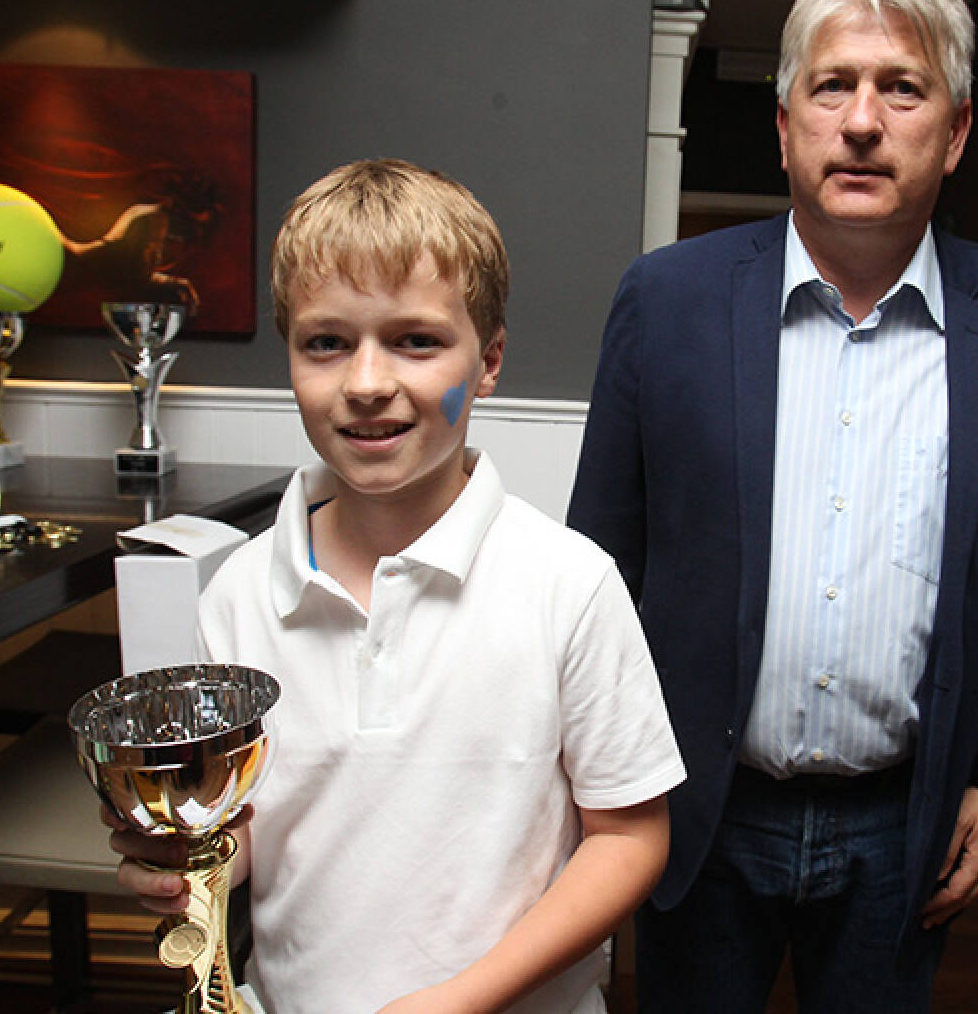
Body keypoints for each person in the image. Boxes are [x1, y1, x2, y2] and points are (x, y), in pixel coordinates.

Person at [566, 0, 978, 1012]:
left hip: (905, 832)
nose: (860, 122)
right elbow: (595, 569)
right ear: (783, 125)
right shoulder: (666, 302)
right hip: (699, 815)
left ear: (955, 132)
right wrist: (598, 793)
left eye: (901, 89)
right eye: (831, 85)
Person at [104, 158, 686, 1014]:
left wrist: (462, 998)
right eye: (326, 343)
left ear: (488, 361)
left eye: (416, 341)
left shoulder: (570, 586)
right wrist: (187, 858)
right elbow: (257, 829)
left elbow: (630, 837)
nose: (367, 384)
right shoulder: (239, 595)